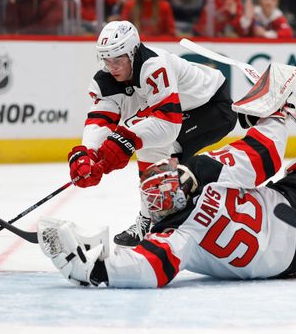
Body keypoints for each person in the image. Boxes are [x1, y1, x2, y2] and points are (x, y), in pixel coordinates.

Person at [43, 78, 296, 288]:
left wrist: (92, 269)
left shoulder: (173, 236)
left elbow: (154, 267)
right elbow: (264, 152)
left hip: (295, 262)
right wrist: (274, 110)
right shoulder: (208, 174)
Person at [68, 20, 237, 247]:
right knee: (155, 154)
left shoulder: (154, 66)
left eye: (118, 59)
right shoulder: (106, 79)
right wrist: (88, 153)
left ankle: (156, 220)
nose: (112, 67)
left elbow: (168, 124)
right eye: (107, 60)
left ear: (133, 51)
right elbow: (101, 119)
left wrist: (124, 141)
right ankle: (165, 216)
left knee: (159, 151)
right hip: (183, 112)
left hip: (212, 108)